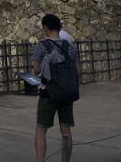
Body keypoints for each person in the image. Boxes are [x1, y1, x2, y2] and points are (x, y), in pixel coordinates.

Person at [31, 13, 80, 162]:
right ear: (59, 27)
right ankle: (66, 160)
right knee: (65, 130)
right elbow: (78, 70)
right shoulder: (70, 47)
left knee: (41, 130)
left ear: (46, 28)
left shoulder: (41, 46)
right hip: (67, 93)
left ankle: (41, 160)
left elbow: (36, 70)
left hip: (48, 93)